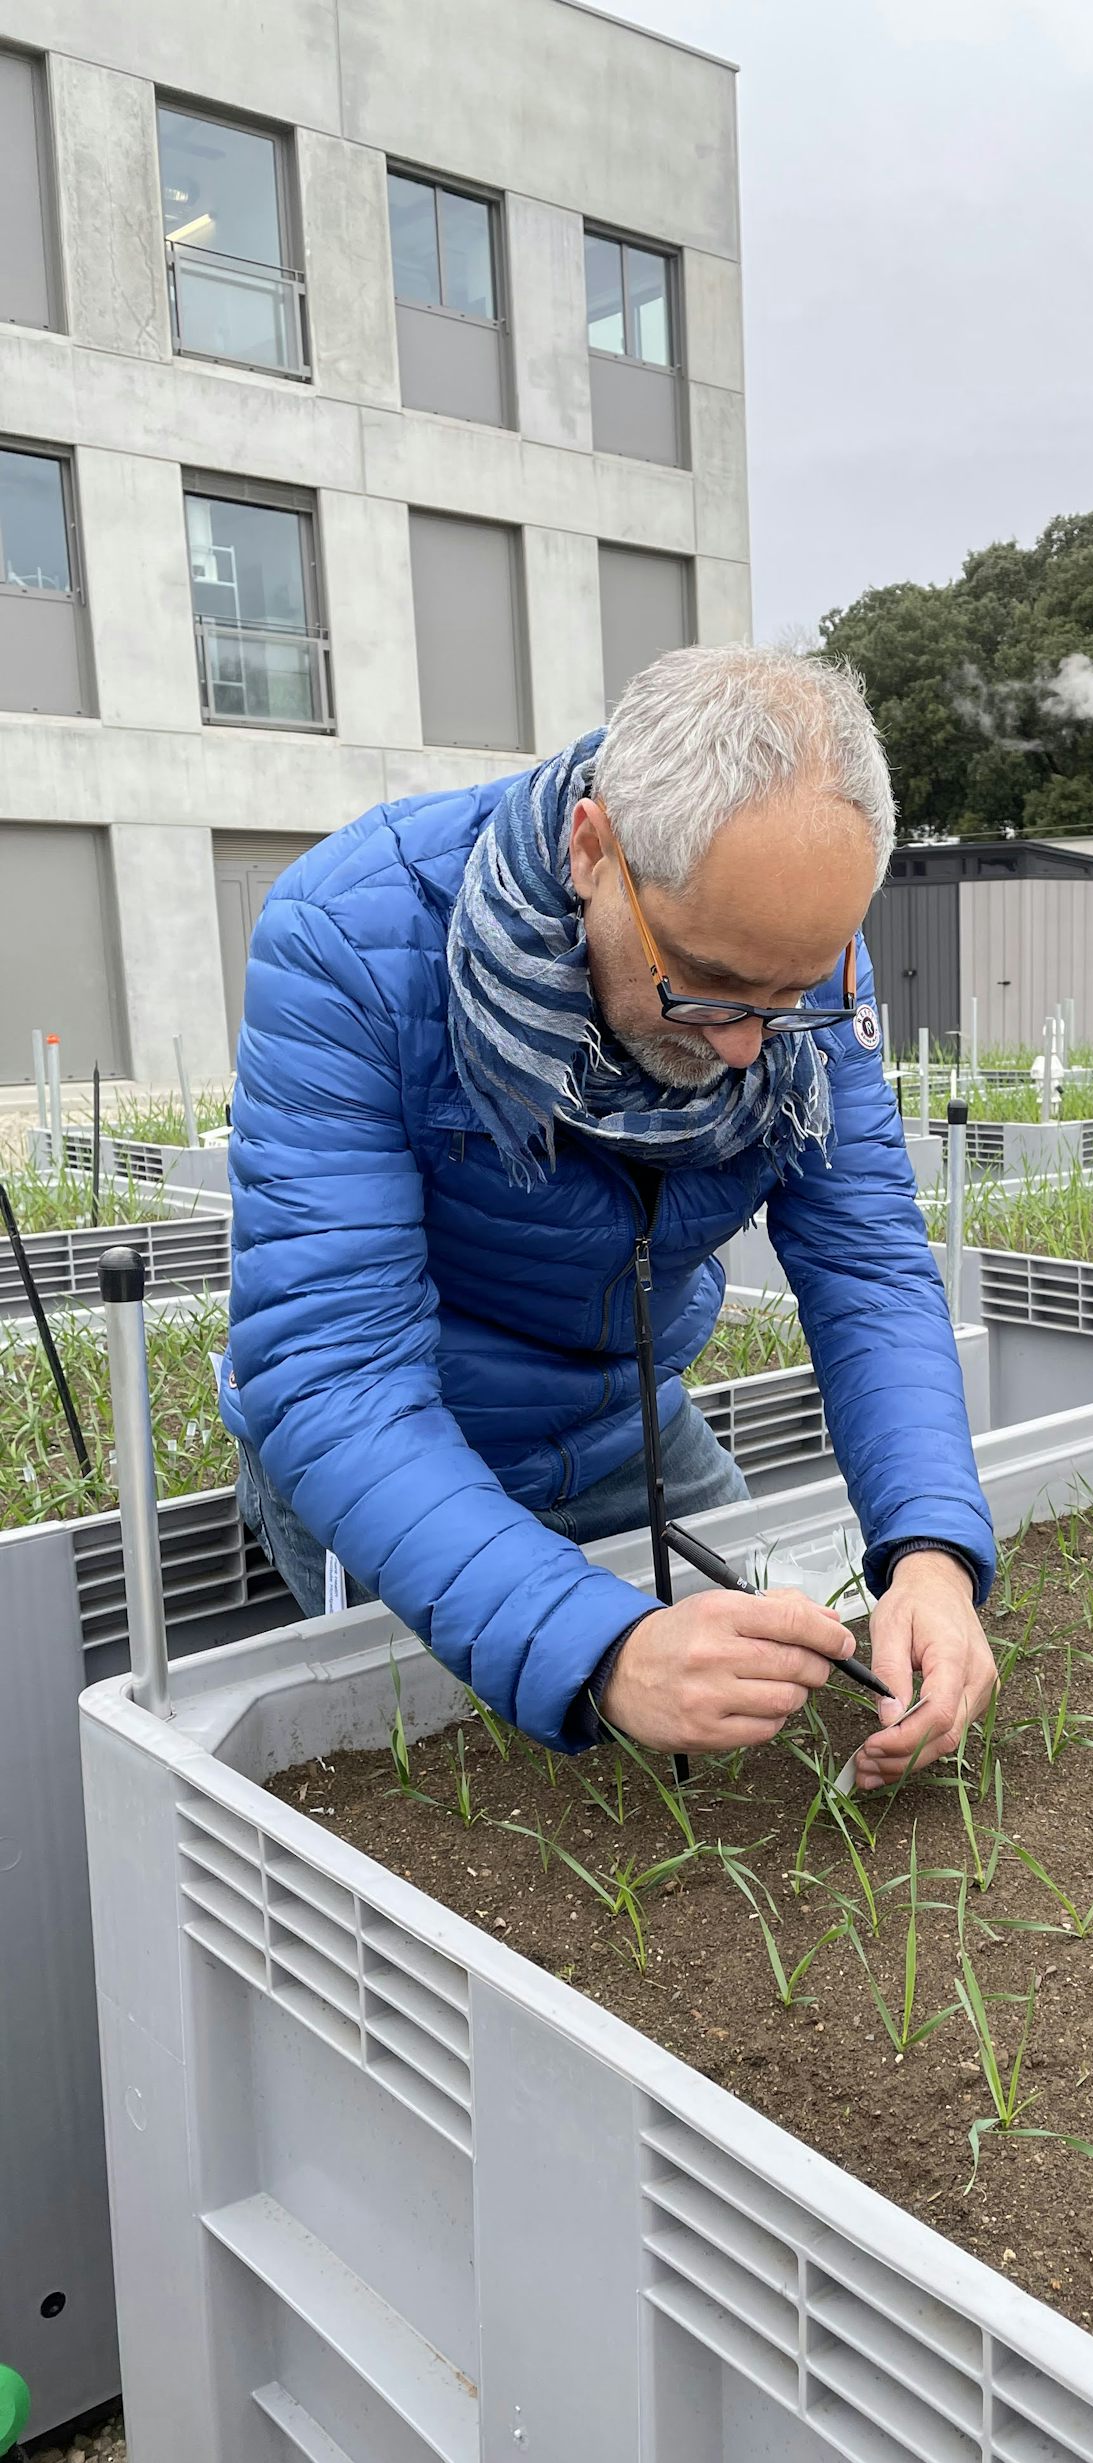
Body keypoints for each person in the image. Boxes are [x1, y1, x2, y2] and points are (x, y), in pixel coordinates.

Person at [222, 646, 996, 1791]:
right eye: (710, 983)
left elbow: (865, 1258)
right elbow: (333, 1374)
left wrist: (930, 1551)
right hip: (391, 1449)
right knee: (451, 1789)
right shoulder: (350, 939)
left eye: (794, 999)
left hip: (626, 1418)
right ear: (594, 850)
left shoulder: (788, 954)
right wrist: (603, 1648)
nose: (746, 1043)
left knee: (755, 1714)